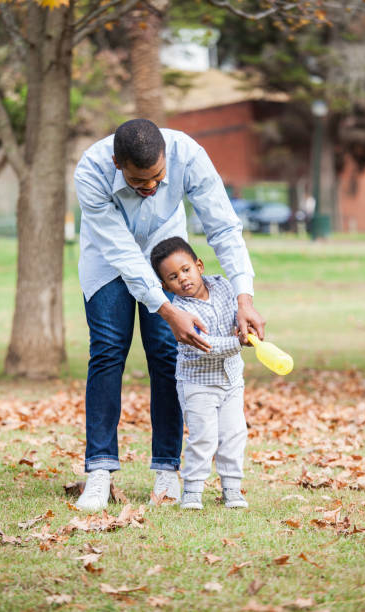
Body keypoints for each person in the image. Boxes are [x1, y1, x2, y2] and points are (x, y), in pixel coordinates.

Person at [74, 118, 265, 512]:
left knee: (167, 356)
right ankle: (100, 470)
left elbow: (224, 228)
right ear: (116, 163)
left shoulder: (188, 156)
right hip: (108, 260)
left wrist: (244, 296)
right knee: (109, 351)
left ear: (166, 159)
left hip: (166, 257)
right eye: (139, 181)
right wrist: (166, 310)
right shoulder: (91, 171)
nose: (151, 188)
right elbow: (124, 253)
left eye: (159, 178)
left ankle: (166, 467)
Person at [151, 236, 251, 510]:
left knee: (233, 434)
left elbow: (236, 316)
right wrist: (237, 343)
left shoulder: (223, 287)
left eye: (186, 270)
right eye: (173, 277)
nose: (182, 279)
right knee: (203, 438)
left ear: (199, 265)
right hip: (198, 385)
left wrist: (244, 329)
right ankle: (192, 492)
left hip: (231, 381)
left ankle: (231, 489)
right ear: (164, 285)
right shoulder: (180, 312)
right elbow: (202, 346)